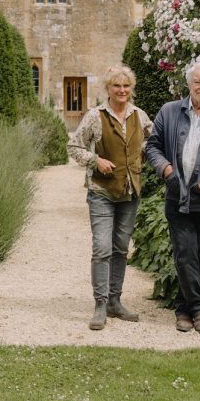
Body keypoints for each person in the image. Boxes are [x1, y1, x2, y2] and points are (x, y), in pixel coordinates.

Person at [145, 59, 200, 335]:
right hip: (178, 197)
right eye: (198, 81)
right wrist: (167, 170)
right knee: (185, 254)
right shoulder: (169, 111)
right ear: (189, 83)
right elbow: (153, 147)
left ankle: (184, 309)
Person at [67, 64, 152, 330]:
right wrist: (95, 160)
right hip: (102, 192)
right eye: (117, 86)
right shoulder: (95, 116)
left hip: (129, 192)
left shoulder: (140, 116)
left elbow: (153, 142)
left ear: (131, 89)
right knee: (102, 248)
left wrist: (144, 158)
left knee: (120, 249)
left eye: (126, 86)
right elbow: (74, 145)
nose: (122, 90)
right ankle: (100, 304)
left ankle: (115, 301)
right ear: (108, 89)